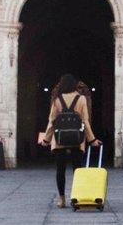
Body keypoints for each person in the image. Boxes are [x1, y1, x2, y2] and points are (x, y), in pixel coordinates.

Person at [40, 74, 101, 208]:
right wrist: (92, 139)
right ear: (74, 85)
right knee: (77, 170)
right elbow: (85, 121)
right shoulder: (81, 99)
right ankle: (76, 196)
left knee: (60, 170)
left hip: (59, 139)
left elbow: (52, 121)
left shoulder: (57, 100)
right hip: (77, 139)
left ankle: (61, 199)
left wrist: (46, 139)